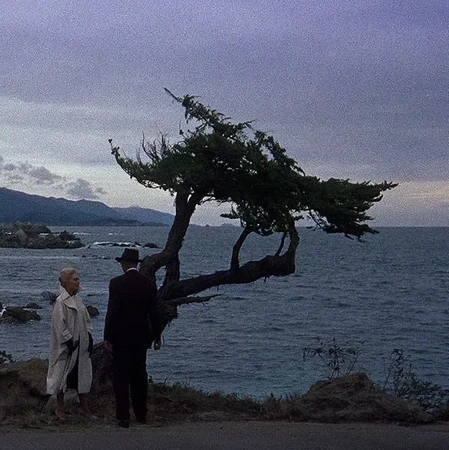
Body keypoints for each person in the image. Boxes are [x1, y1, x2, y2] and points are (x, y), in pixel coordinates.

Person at [104, 248, 162, 428]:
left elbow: (112, 311)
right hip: (141, 336)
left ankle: (123, 416)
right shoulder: (148, 284)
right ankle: (141, 413)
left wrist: (108, 336)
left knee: (121, 376)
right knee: (139, 375)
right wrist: (157, 334)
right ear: (136, 264)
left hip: (121, 337)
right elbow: (154, 312)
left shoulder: (116, 283)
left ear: (124, 264)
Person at [46, 267, 94, 421]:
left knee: (83, 375)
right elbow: (59, 325)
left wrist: (89, 337)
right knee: (61, 376)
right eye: (75, 279)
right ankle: (60, 408)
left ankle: (84, 407)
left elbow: (87, 320)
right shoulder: (60, 302)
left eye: (78, 279)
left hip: (81, 344)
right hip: (67, 347)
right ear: (66, 282)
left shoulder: (78, 301)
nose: (78, 282)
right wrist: (68, 340)